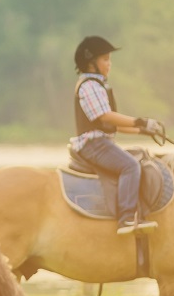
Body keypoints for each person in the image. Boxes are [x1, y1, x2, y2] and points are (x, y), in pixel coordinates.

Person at [69, 35, 164, 235]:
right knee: (130, 166)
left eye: (109, 59)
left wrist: (143, 130)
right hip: (94, 144)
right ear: (91, 63)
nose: (109, 64)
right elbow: (105, 116)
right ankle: (127, 218)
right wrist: (140, 121)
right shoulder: (90, 86)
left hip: (100, 141)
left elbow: (111, 125)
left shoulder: (98, 85)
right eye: (105, 59)